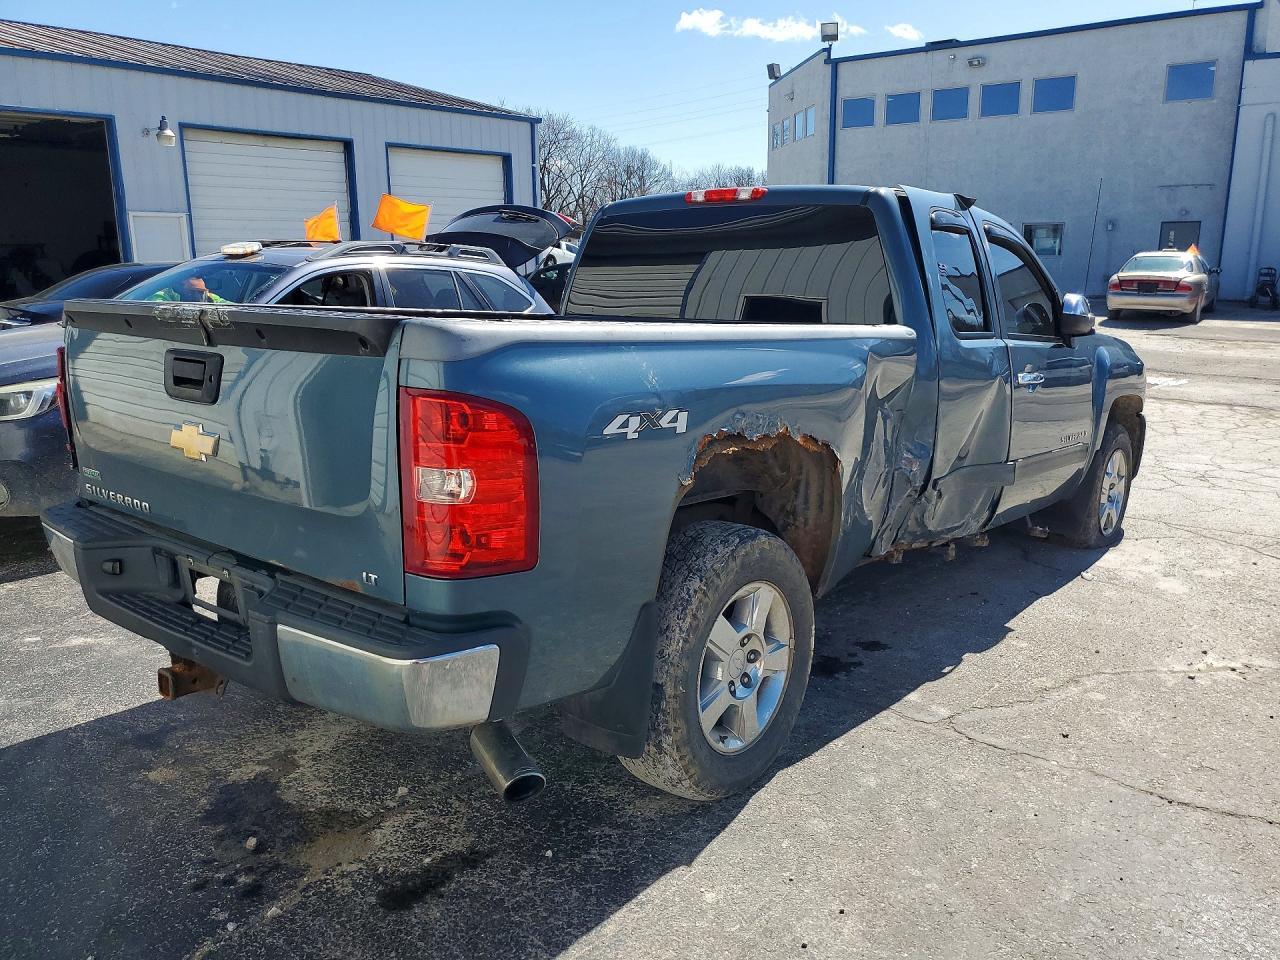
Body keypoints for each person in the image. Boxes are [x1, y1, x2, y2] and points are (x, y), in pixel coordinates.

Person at [147, 274, 228, 303]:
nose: (197, 296)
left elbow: (228, 306)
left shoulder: (208, 296)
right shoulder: (162, 295)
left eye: (200, 292)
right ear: (179, 289)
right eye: (192, 292)